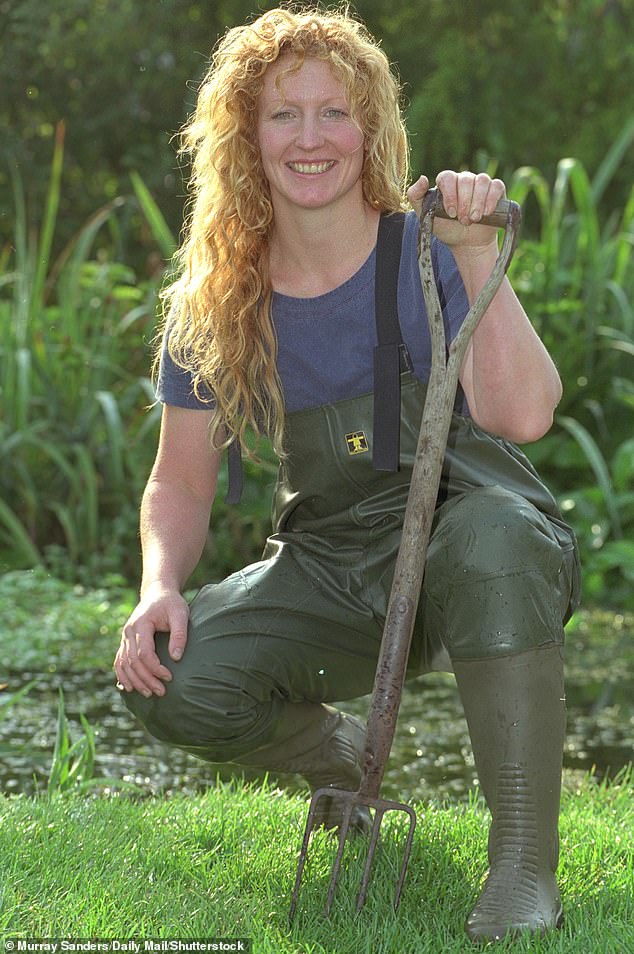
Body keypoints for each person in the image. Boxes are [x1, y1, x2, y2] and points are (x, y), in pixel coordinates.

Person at [114, 5, 580, 942]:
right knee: (165, 676)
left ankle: (524, 871)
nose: (310, 137)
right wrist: (158, 588)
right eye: (284, 115)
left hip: (478, 546)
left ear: (369, 127)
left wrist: (478, 253)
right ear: (247, 137)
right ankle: (343, 766)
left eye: (333, 112)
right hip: (333, 562)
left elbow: (523, 417)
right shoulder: (219, 298)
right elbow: (180, 483)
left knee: (492, 534)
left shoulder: (427, 249)